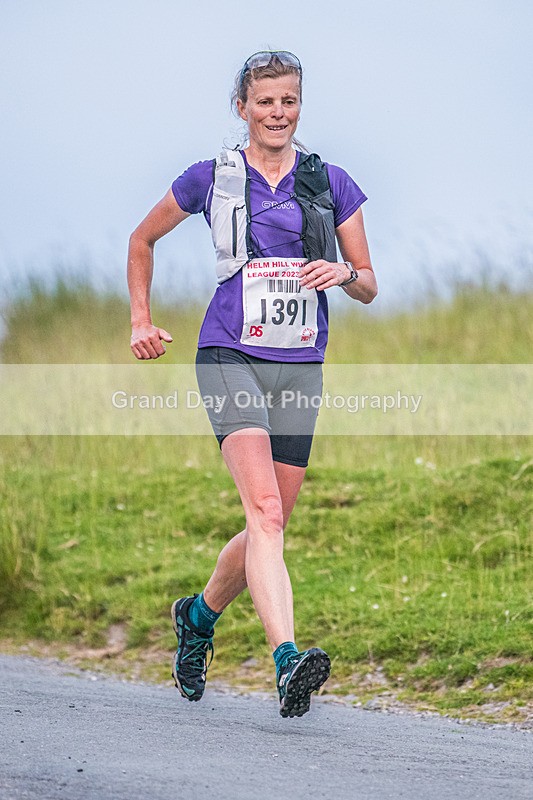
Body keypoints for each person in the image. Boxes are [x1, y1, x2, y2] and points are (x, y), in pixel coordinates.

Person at [127, 50, 378, 718]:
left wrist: (343, 276)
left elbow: (369, 283)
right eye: (264, 101)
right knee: (264, 513)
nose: (277, 112)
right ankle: (287, 659)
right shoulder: (210, 177)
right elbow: (141, 240)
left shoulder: (331, 182)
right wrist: (140, 320)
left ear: (300, 106)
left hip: (299, 364)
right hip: (227, 353)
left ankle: (198, 619)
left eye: (288, 101)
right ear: (241, 106)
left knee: (271, 521)